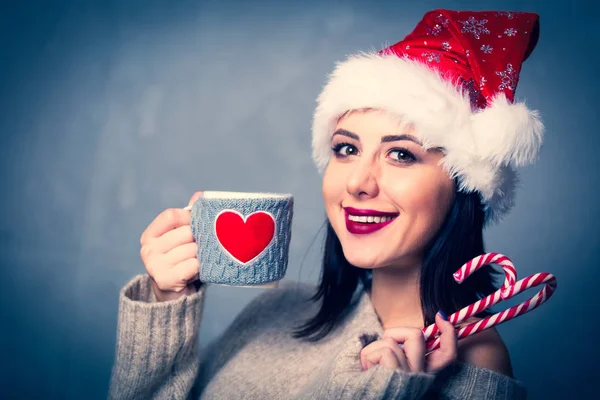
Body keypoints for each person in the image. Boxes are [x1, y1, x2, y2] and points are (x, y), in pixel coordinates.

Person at [110, 9, 543, 399]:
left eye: (402, 154)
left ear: (465, 186)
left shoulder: (473, 356)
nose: (357, 182)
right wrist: (166, 307)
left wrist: (386, 393)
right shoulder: (277, 308)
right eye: (346, 149)